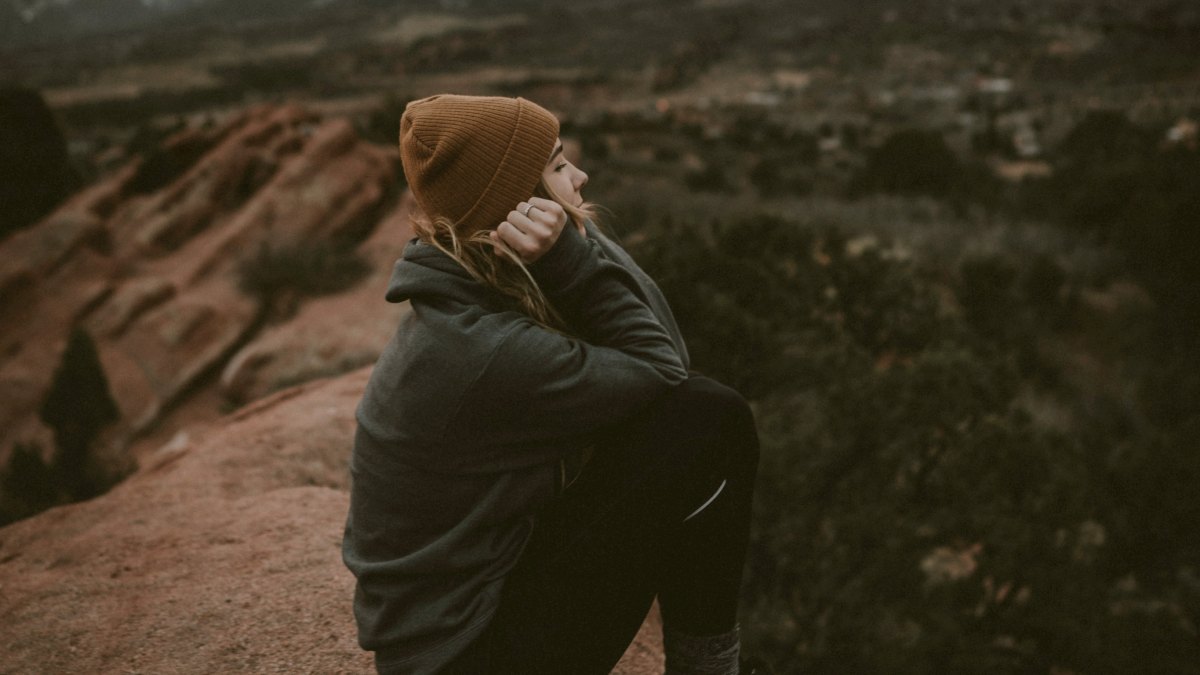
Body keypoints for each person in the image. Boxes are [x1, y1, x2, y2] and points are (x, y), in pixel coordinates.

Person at [342, 94, 760, 675]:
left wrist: (570, 241)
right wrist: (569, 258)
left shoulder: (474, 283)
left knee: (698, 416)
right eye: (560, 166)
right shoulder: (482, 351)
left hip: (480, 609)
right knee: (713, 418)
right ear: (517, 210)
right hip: (468, 657)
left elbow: (668, 359)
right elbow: (669, 376)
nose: (580, 175)